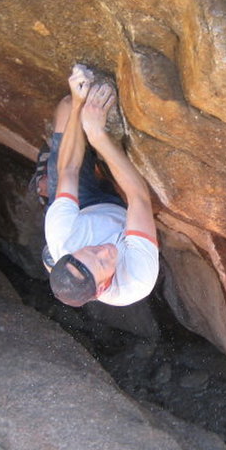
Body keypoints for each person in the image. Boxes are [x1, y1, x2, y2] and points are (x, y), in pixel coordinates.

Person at [36, 64, 159, 307]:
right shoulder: (135, 280)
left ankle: (44, 182)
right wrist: (96, 135)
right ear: (103, 286)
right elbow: (138, 198)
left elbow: (69, 169)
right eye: (102, 263)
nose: (103, 250)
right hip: (125, 218)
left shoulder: (63, 236)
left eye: (90, 250)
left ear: (72, 252)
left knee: (67, 107)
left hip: (87, 207)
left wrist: (80, 101)